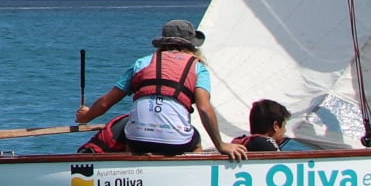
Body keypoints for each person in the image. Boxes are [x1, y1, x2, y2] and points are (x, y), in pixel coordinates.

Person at [72, 19, 244, 161]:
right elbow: (205, 108)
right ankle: (192, 174)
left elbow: (104, 103)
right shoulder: (198, 68)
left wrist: (86, 116)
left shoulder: (142, 63)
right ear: (192, 46)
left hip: (137, 141)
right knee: (195, 138)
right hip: (177, 142)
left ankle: (133, 175)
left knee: (129, 129)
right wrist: (221, 145)